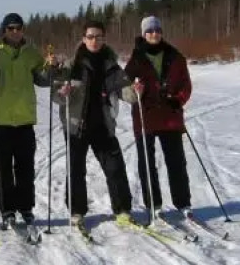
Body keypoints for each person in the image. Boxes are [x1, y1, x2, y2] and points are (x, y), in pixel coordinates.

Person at [0, 13, 56, 228]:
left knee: (25, 167)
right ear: (4, 31)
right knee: (2, 170)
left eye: (19, 28)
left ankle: (26, 207)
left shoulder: (31, 53)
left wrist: (51, 68)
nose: (15, 32)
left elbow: (43, 80)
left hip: (24, 119)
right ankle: (7, 209)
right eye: (11, 28)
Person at [53, 21, 138, 230]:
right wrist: (62, 93)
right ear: (84, 39)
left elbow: (126, 92)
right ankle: (76, 212)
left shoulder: (112, 66)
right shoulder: (71, 65)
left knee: (115, 168)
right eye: (90, 36)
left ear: (103, 39)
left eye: (98, 36)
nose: (94, 40)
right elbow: (56, 95)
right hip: (76, 126)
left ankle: (122, 210)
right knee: (76, 170)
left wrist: (135, 91)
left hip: (103, 125)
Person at [124, 15, 193, 222]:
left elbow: (186, 84)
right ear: (144, 34)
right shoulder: (136, 58)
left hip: (170, 115)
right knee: (147, 163)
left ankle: (183, 203)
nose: (154, 34)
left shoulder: (175, 56)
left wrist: (178, 100)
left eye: (157, 30)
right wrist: (134, 89)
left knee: (176, 162)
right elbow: (124, 85)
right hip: (145, 116)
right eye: (150, 31)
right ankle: (153, 205)